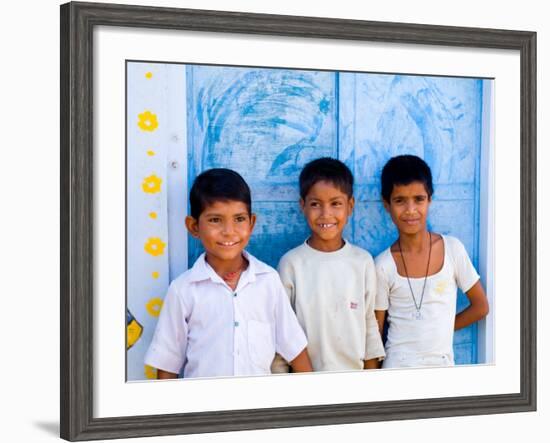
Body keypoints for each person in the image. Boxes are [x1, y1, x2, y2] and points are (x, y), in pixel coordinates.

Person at [145, 168, 313, 379]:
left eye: (239, 219)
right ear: (194, 226)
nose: (229, 231)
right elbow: (167, 364)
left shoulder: (268, 281)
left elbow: (294, 347)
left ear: (251, 223)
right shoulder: (183, 291)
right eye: (215, 220)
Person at [374, 154, 489, 368]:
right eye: (400, 201)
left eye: (419, 199)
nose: (410, 210)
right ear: (386, 204)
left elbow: (481, 307)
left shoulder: (452, 249)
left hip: (442, 371)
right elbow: (376, 333)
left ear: (430, 199)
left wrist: (439, 328)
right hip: (396, 371)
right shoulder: (382, 265)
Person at [272, 157, 385, 373]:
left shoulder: (362, 262)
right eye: (315, 204)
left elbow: (370, 324)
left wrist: (371, 383)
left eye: (336, 203)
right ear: (302, 205)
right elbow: (282, 332)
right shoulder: (291, 264)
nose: (326, 214)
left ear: (350, 206)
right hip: (306, 385)